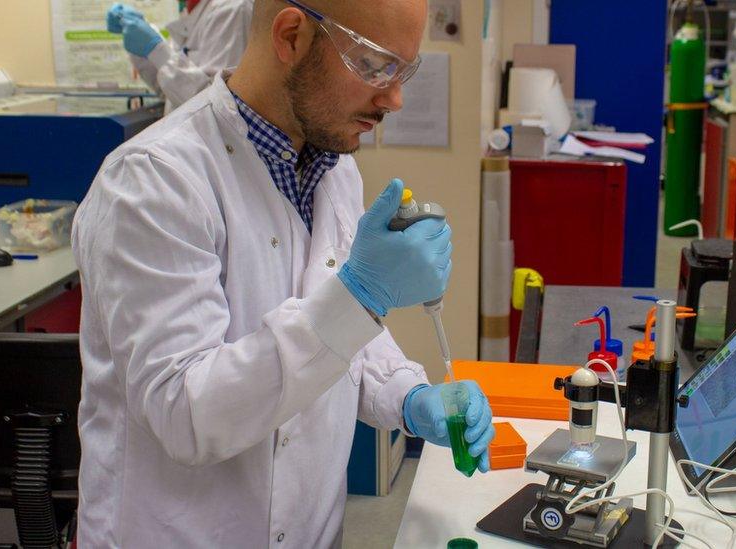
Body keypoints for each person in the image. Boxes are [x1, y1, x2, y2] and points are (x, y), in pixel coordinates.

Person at [73, 0, 496, 546]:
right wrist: (362, 295)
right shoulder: (153, 183)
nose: (395, 98)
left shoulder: (332, 165)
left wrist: (408, 396)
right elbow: (185, 413)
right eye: (375, 66)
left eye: (404, 71)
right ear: (292, 36)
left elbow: (331, 327)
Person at [107, 0, 254, 112]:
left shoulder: (232, 9)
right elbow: (169, 94)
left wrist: (156, 50)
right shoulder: (191, 13)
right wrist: (141, 48)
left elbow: (218, 109)